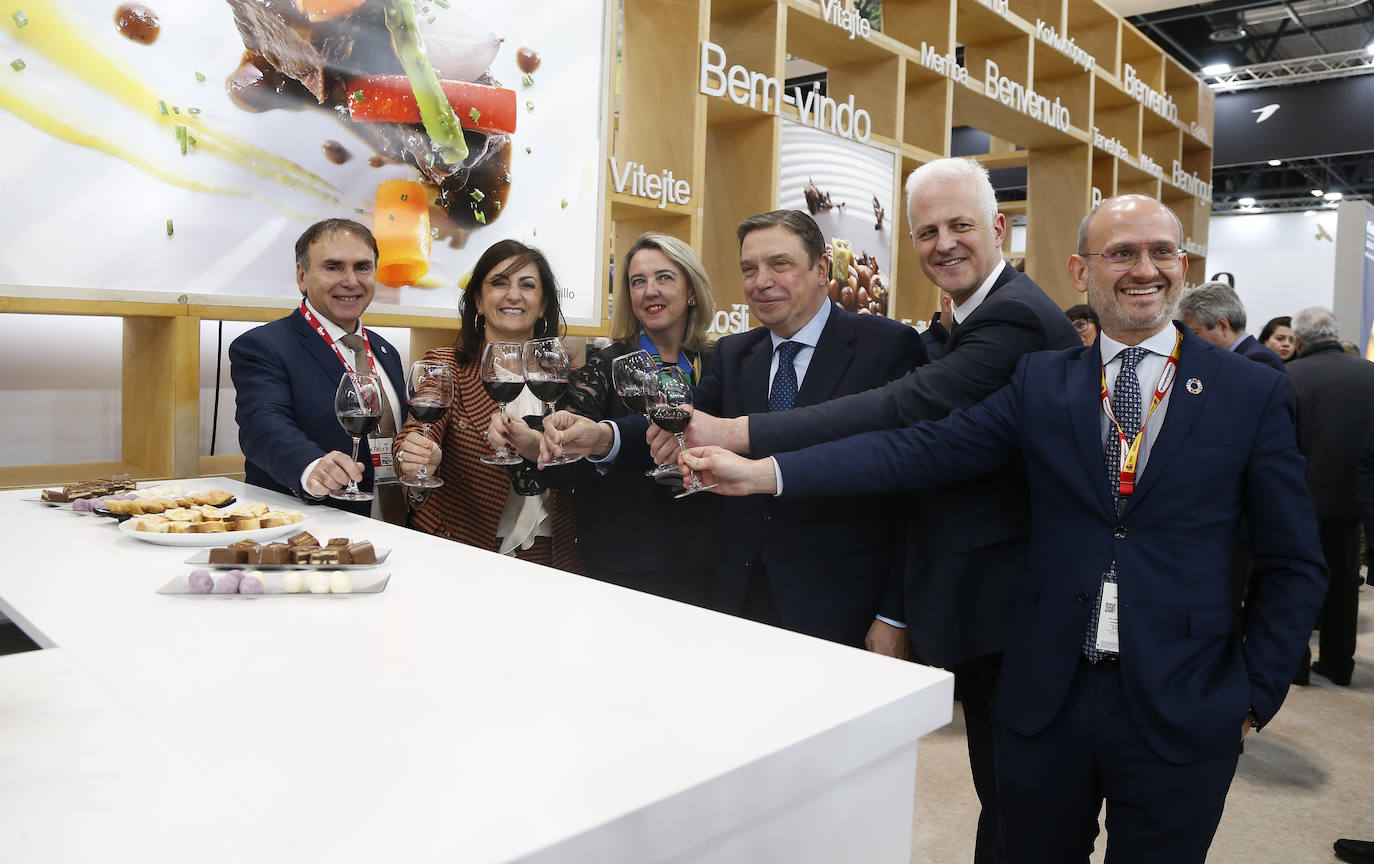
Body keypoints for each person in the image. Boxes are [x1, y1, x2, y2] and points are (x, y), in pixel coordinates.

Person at [683, 194, 1328, 864]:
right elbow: (917, 448)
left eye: (1162, 252)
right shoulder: (1042, 382)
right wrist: (766, 474)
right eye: (1121, 253)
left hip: (1184, 699)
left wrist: (1252, 696)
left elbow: (1295, 561)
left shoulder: (1249, 390)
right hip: (1047, 697)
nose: (1145, 269)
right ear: (1081, 272)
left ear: (1184, 264)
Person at [648, 157, 1080, 864]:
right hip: (975, 601)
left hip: (1015, 602)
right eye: (927, 231)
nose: (943, 242)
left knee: (1026, 808)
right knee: (1006, 800)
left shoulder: (1011, 321)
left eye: (960, 225)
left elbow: (901, 431)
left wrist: (748, 446)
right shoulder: (962, 323)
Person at [545, 209, 926, 650]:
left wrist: (893, 613)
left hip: (842, 604)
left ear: (822, 269)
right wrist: (603, 437)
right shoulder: (734, 353)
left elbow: (909, 490)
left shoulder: (887, 346)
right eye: (749, 269)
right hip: (738, 597)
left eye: (779, 264)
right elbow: (680, 425)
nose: (760, 281)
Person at [490, 232, 720, 604]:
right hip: (626, 562)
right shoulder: (607, 366)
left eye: (664, 277)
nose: (650, 291)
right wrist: (535, 440)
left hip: (711, 560)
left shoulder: (720, 362)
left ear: (692, 290)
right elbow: (569, 448)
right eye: (637, 281)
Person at [392, 239, 580, 572]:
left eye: (527, 285)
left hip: (551, 558)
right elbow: (414, 436)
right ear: (478, 301)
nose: (513, 295)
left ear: (543, 303)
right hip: (460, 555)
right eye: (499, 283)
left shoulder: (571, 381)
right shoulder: (446, 367)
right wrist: (416, 455)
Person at [230, 218, 408, 521]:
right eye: (333, 267)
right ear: (302, 276)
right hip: (309, 533)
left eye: (362, 267)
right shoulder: (262, 346)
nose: (351, 281)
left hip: (393, 529)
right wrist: (311, 466)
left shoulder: (386, 352)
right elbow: (262, 426)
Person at [1285, 306, 1374, 686]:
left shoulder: (1289, 376)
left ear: (1300, 340)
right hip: (1354, 499)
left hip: (1299, 498)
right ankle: (1338, 663)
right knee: (1343, 583)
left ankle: (1296, 665)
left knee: (1294, 584)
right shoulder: (1370, 374)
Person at [1177, 281, 1285, 372]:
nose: (1190, 341)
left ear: (1223, 326)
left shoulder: (1258, 360)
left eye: (1195, 333)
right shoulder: (1244, 356)